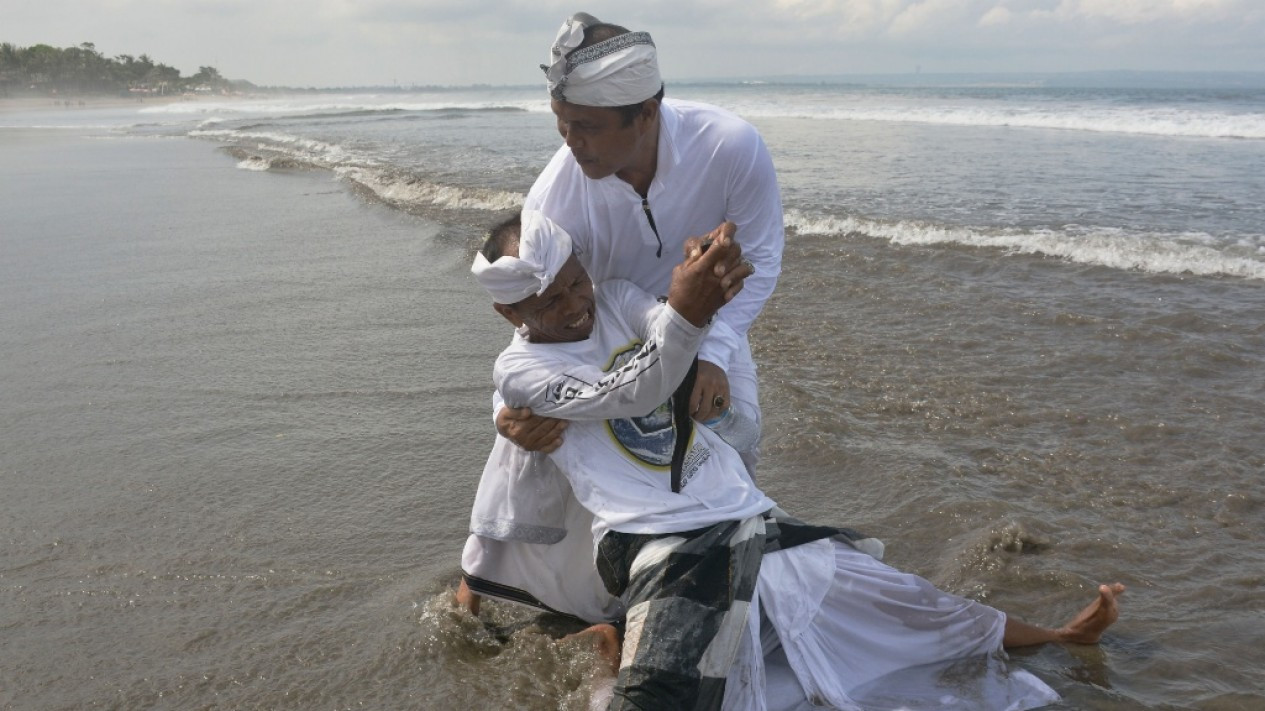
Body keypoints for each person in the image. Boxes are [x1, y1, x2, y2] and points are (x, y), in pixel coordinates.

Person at [468, 211, 1125, 710]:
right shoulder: (520, 371)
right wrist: (687, 317)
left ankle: (1062, 635)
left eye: (574, 281)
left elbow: (667, 324)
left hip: (739, 509)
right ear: (507, 311)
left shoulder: (612, 297)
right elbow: (628, 391)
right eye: (549, 302)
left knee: (896, 599)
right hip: (654, 540)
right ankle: (601, 650)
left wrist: (703, 287)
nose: (575, 303)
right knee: (660, 695)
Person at [461, 7, 783, 635]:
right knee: (561, 467)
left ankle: (728, 606)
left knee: (726, 467)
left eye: (586, 127)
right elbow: (534, 317)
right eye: (562, 124)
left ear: (647, 113)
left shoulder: (730, 146)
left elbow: (763, 255)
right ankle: (559, 600)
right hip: (590, 352)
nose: (570, 143)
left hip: (712, 335)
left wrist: (713, 348)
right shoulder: (554, 199)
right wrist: (505, 412)